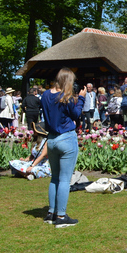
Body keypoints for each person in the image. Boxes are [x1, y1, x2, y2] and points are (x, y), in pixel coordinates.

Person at [40, 68, 86, 228]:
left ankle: (51, 213)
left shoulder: (45, 95)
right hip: (66, 138)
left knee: (54, 178)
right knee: (65, 180)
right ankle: (61, 216)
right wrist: (80, 99)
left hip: (51, 139)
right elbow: (76, 115)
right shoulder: (65, 97)